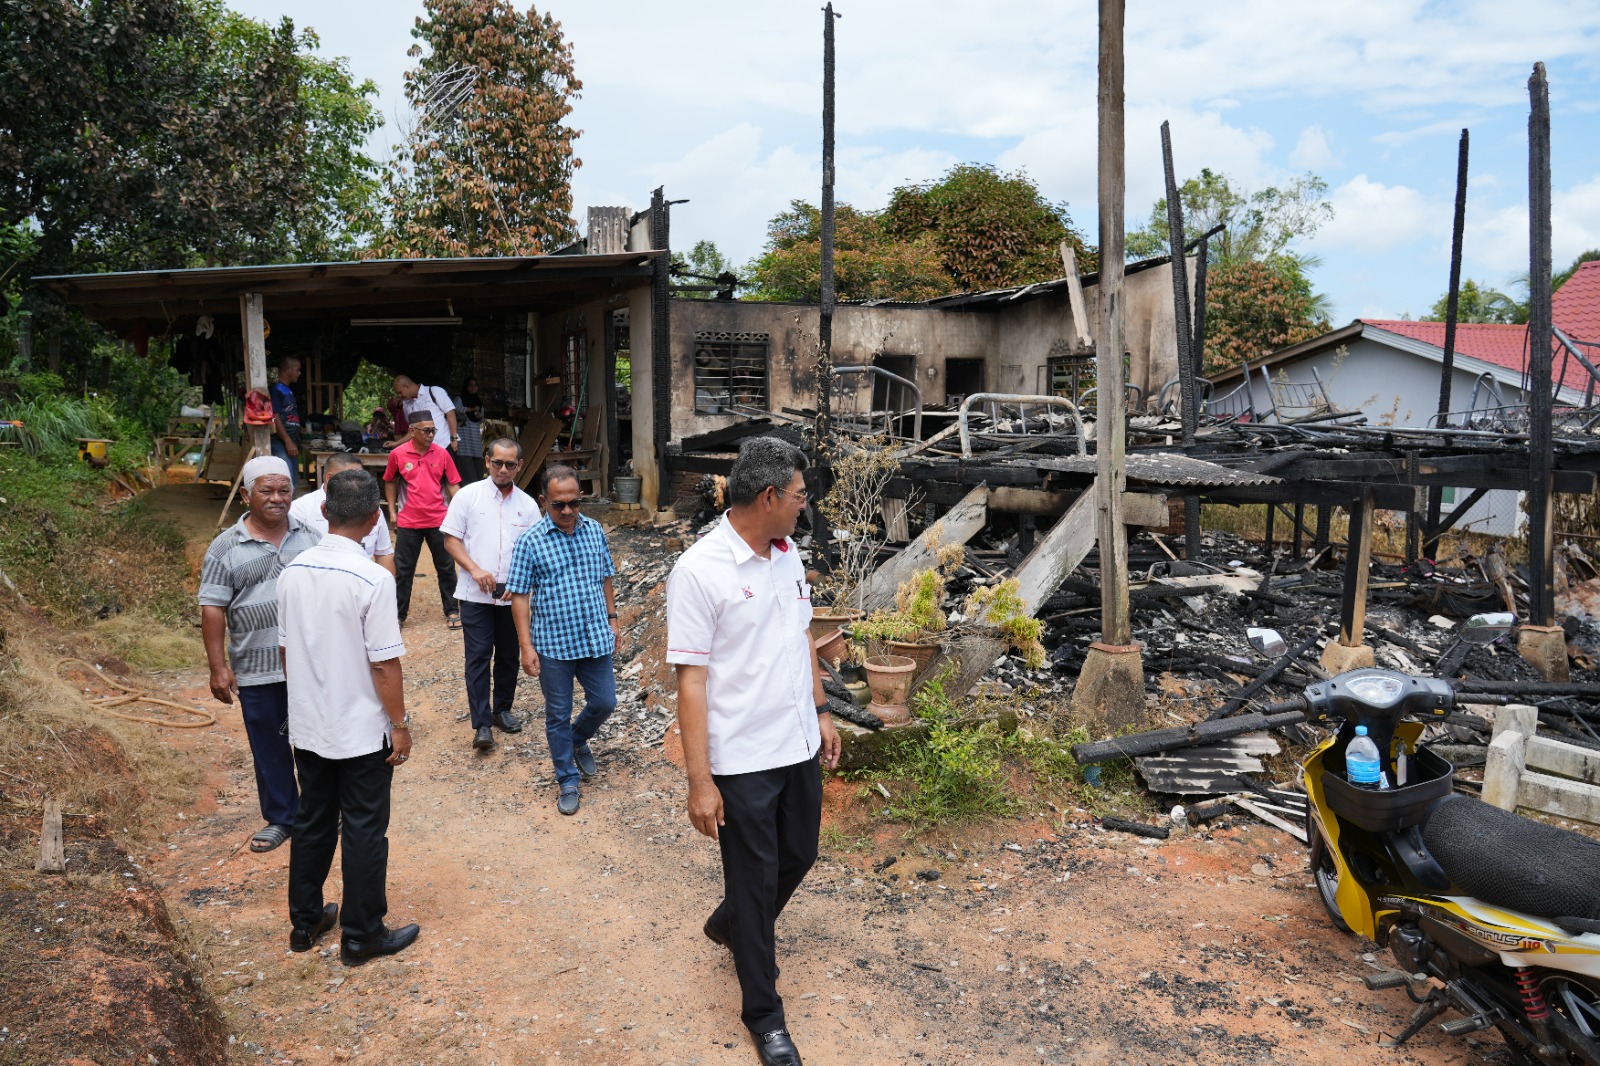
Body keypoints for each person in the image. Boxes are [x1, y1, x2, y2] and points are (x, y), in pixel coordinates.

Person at [664, 437, 841, 1066]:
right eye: (798, 495)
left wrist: (822, 712)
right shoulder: (700, 571)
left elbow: (802, 639)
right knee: (756, 879)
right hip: (741, 760)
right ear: (768, 497)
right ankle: (764, 1016)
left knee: (800, 853)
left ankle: (731, 922)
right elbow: (691, 681)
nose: (804, 505)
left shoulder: (787, 556)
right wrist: (700, 781)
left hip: (796, 743)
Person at [277, 468, 420, 966]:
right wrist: (399, 724)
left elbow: (286, 651)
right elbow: (383, 663)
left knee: (313, 819)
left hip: (309, 724)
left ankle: (305, 922)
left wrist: (306, 701)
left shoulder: (292, 572)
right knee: (362, 828)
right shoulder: (373, 579)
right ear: (377, 518)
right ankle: (361, 935)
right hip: (359, 730)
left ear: (323, 511)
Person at [198, 455, 322, 854]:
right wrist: (218, 667)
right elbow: (213, 608)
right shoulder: (225, 548)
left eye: (284, 490)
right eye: (266, 490)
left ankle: (319, 812)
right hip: (256, 666)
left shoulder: (311, 537)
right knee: (269, 743)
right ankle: (282, 817)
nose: (277, 498)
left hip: (309, 664)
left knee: (316, 740)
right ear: (246, 496)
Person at [507, 464, 619, 815]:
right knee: (557, 713)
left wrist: (613, 619)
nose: (568, 511)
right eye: (559, 505)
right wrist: (526, 646)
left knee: (605, 702)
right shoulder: (530, 541)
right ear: (543, 501)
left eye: (574, 502)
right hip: (553, 644)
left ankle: (577, 738)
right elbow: (519, 597)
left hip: (594, 636)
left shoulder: (594, 530)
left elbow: (605, 577)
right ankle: (567, 780)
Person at [441, 438, 541, 751]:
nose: (503, 469)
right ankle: (482, 723)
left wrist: (522, 582)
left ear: (519, 466)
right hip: (475, 594)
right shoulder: (467, 497)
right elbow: (451, 540)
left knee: (509, 654)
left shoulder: (528, 506)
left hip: (513, 597)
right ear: (487, 461)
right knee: (479, 655)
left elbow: (537, 550)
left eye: (510, 464)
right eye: (497, 463)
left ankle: (502, 710)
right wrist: (474, 569)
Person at [383, 411, 462, 628]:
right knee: (403, 570)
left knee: (446, 567)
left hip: (439, 520)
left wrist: (461, 513)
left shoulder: (442, 454)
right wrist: (392, 512)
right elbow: (390, 481)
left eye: (433, 430)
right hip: (408, 521)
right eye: (426, 431)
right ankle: (398, 615)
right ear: (412, 431)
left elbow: (453, 485)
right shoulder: (397, 454)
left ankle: (452, 610)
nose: (431, 435)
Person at [289, 453, 395, 573]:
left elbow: (384, 553)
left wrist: (386, 582)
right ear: (329, 478)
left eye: (361, 478)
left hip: (362, 579)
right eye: (350, 478)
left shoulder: (371, 508)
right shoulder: (300, 510)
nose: (358, 484)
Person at [391, 375, 458, 454]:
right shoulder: (406, 404)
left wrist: (454, 438)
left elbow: (450, 413)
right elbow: (414, 429)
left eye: (400, 392)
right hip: (426, 450)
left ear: (406, 386)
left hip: (445, 444)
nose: (399, 396)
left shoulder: (434, 391)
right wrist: (396, 443)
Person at [270, 356, 302, 493]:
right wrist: (288, 441)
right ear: (288, 369)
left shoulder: (287, 390)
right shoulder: (276, 389)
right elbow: (275, 416)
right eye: (297, 369)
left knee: (293, 482)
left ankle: (289, 507)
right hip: (280, 442)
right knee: (285, 481)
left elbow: (287, 415)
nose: (299, 373)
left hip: (290, 441)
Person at [453, 377, 485, 485]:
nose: (473, 387)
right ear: (466, 387)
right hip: (464, 443)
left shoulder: (479, 402)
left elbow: (481, 419)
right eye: (470, 385)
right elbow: (455, 408)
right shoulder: (460, 399)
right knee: (468, 477)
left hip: (475, 441)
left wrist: (479, 415)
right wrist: (471, 409)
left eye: (475, 385)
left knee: (478, 474)